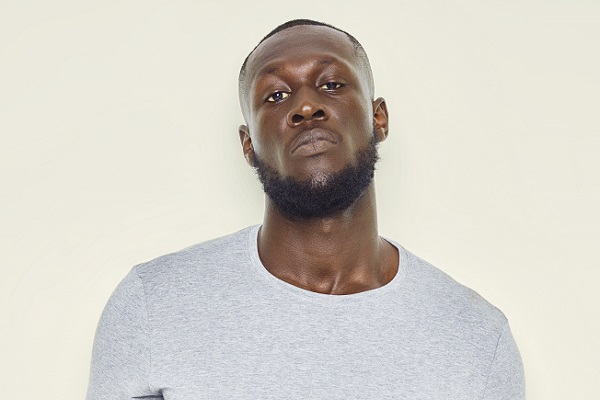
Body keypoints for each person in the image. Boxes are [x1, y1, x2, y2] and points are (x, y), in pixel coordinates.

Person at [86, 19, 525, 399]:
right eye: (276, 95)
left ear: (379, 119)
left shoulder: (475, 339)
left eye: (332, 84)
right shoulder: (154, 306)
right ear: (248, 145)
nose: (306, 106)